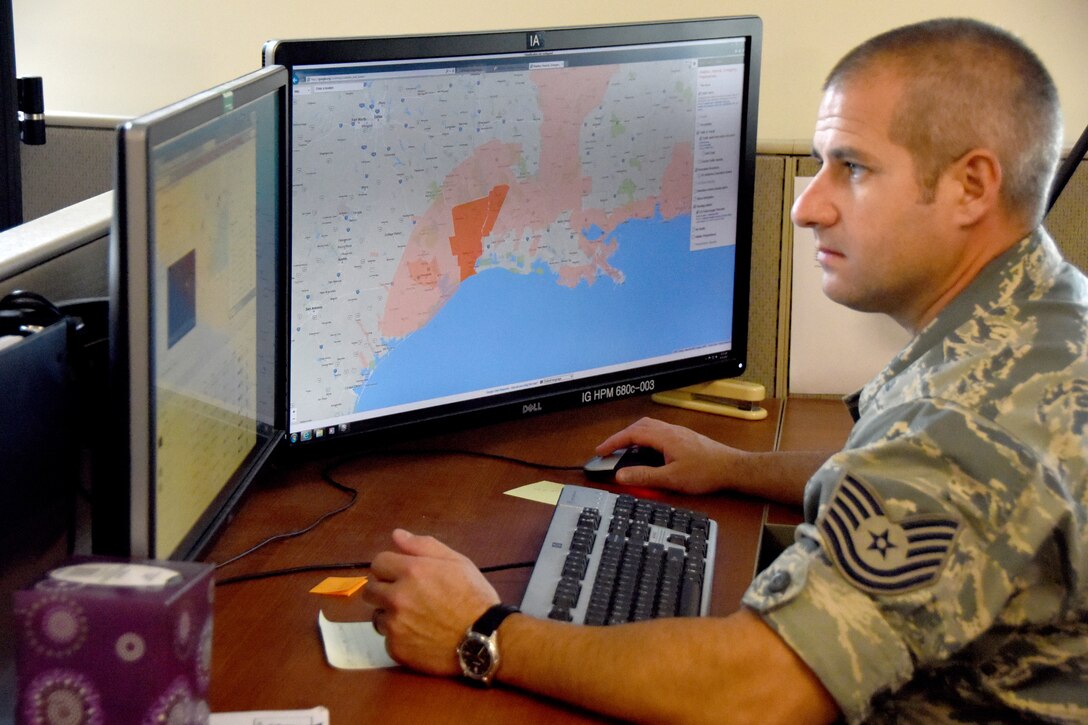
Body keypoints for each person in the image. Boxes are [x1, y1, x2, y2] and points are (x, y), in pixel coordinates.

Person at [363, 18, 1088, 723]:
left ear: (971, 186)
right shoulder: (1040, 321)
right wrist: (734, 465)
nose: (807, 205)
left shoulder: (969, 421)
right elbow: (903, 476)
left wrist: (479, 630)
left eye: (854, 167)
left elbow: (756, 691)